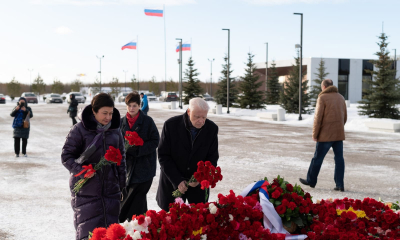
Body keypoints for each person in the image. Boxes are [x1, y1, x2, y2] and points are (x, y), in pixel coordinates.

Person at [61, 93, 126, 240]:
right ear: (94, 111)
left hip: (111, 192)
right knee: (88, 234)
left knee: (111, 235)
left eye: (110, 113)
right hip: (86, 191)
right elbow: (66, 156)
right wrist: (81, 171)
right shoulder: (79, 130)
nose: (108, 117)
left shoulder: (115, 131)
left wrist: (121, 185)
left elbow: (121, 160)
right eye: (104, 113)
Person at [156, 97, 219, 211]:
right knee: (170, 223)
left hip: (197, 190)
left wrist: (200, 179)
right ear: (189, 111)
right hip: (172, 184)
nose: (201, 120)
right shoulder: (171, 125)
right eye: (197, 117)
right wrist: (177, 180)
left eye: (204, 117)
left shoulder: (212, 129)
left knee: (197, 223)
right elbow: (163, 156)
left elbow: (212, 158)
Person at [299, 79, 347, 192]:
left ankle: (311, 180)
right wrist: (339, 127)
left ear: (324, 87)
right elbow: (344, 117)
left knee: (317, 158)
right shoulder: (341, 97)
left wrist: (315, 134)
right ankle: (340, 184)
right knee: (339, 159)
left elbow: (318, 118)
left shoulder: (322, 97)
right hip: (338, 134)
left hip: (325, 135)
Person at [119, 92, 160, 222]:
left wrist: (139, 149)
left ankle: (135, 225)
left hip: (144, 168)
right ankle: (138, 228)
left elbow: (155, 140)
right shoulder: (121, 122)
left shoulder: (147, 121)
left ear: (139, 105)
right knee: (131, 200)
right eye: (129, 105)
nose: (132, 108)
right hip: (127, 169)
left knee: (137, 199)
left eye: (135, 105)